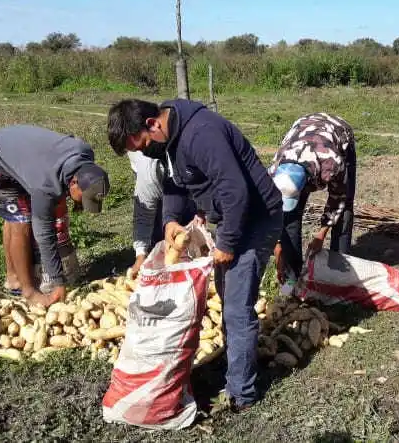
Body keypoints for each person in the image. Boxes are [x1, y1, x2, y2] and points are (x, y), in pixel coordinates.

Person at [107, 98, 283, 412]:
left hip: (257, 218)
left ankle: (242, 394)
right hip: (234, 215)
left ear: (152, 124)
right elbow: (175, 183)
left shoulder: (201, 133)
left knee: (236, 306)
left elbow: (235, 190)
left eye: (143, 144)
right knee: (229, 295)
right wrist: (170, 219)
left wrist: (227, 243)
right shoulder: (169, 137)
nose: (145, 151)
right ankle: (234, 365)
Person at [0, 124, 110, 307]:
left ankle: (13, 278)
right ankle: (28, 291)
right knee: (21, 221)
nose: (83, 204)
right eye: (84, 199)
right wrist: (58, 282)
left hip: (19, 150)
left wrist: (76, 198)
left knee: (14, 216)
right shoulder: (45, 184)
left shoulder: (85, 154)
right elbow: (44, 235)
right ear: (74, 183)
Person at [269, 112, 357, 284]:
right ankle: (293, 277)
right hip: (302, 130)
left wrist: (321, 234)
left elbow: (337, 201)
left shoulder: (332, 164)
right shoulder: (274, 170)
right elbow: (271, 211)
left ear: (307, 182)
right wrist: (277, 245)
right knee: (290, 216)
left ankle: (338, 274)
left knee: (344, 210)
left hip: (338, 132)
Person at [125, 150, 199, 279]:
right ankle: (163, 261)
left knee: (187, 226)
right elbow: (144, 215)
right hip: (152, 173)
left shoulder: (189, 160)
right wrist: (141, 255)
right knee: (161, 232)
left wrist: (201, 212)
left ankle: (190, 256)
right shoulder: (148, 178)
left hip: (182, 170)